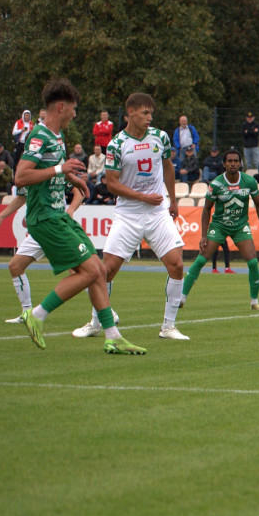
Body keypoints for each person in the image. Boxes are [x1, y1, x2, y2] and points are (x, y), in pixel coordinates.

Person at [12, 78, 144, 354]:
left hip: (58, 215)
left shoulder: (57, 136)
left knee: (98, 271)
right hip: (46, 218)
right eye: (73, 108)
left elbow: (49, 171)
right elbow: (21, 176)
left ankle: (113, 336)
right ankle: (36, 315)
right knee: (93, 271)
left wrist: (71, 178)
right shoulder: (40, 135)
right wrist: (61, 170)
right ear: (61, 107)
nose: (75, 113)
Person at [69, 92, 188, 341]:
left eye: (151, 113)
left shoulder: (161, 137)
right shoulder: (116, 144)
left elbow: (167, 165)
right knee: (105, 270)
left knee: (177, 265)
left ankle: (168, 327)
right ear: (131, 112)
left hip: (157, 212)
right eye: (145, 112)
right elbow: (112, 184)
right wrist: (144, 197)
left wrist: (173, 199)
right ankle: (95, 322)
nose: (149, 117)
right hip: (128, 214)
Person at [0, 187, 116, 326]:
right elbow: (21, 197)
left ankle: (108, 312)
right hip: (39, 229)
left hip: (56, 227)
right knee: (15, 266)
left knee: (84, 271)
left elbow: (79, 191)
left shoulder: (50, 170)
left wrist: (70, 210)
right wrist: (1, 216)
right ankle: (27, 313)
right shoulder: (27, 175)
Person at [180, 149, 259, 313]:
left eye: (236, 161)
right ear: (224, 164)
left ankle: (254, 302)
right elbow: (207, 209)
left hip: (240, 226)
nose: (233, 164)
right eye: (230, 161)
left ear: (240, 163)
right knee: (201, 260)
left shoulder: (249, 181)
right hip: (219, 226)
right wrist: (203, 235)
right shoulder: (216, 184)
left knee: (253, 262)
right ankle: (181, 297)